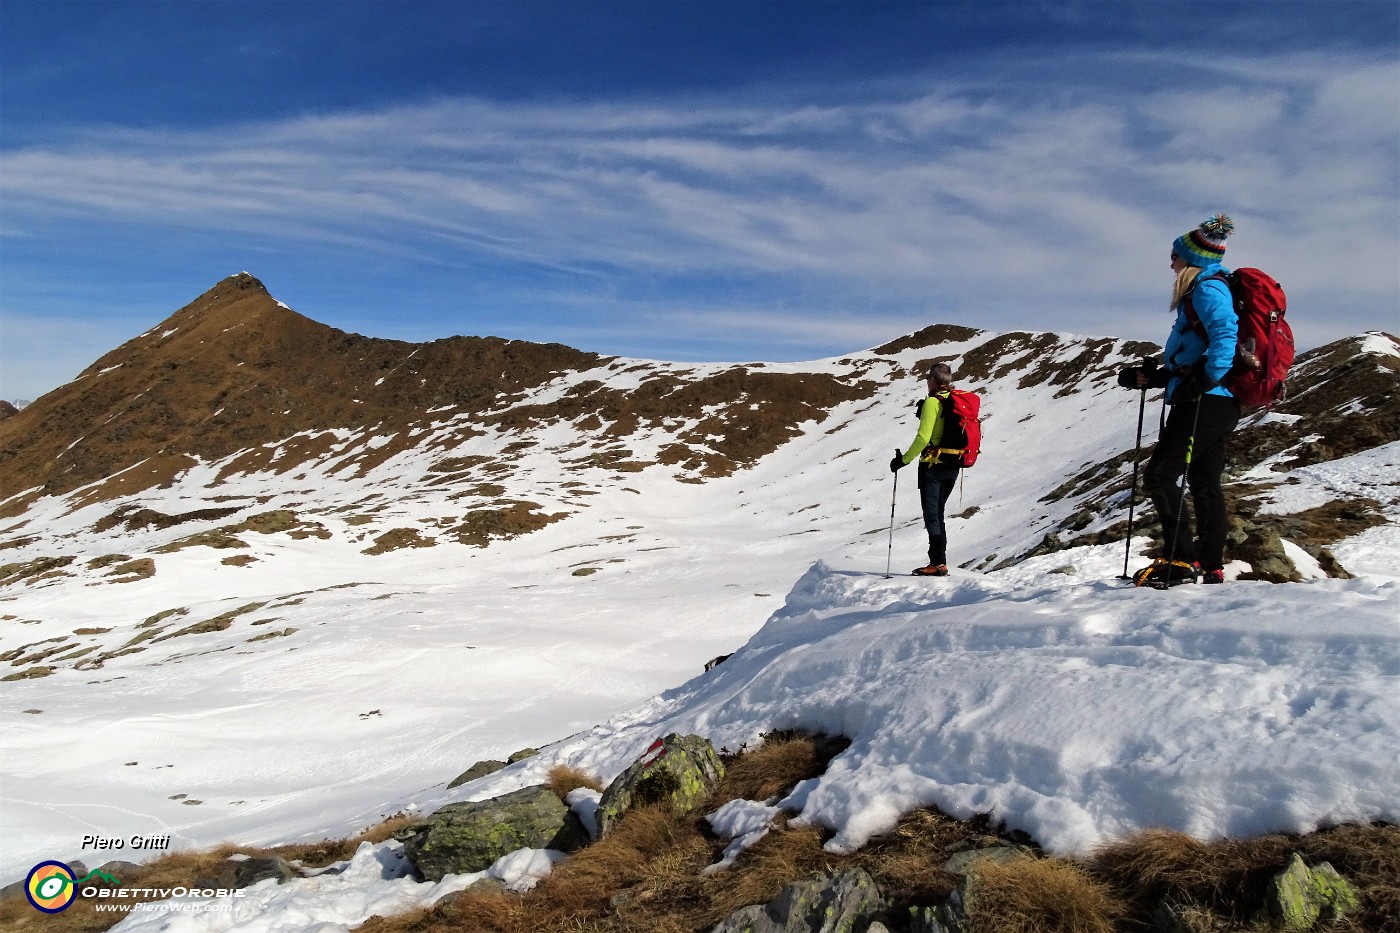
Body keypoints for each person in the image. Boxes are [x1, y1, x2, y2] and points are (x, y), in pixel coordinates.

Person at [1118, 214, 1241, 584]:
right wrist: (1154, 377)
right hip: (1218, 401)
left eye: (1175, 255)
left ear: (1192, 260)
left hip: (1207, 400)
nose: (1170, 261)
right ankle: (1209, 562)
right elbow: (1193, 353)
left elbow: (1225, 335)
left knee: (1159, 474)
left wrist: (1204, 379)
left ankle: (1181, 559)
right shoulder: (1205, 289)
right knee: (1204, 481)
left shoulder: (1207, 289)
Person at [889, 362, 963, 576]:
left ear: (933, 380)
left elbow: (923, 437)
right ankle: (940, 562)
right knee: (938, 514)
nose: (926, 381)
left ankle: (937, 564)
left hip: (932, 466)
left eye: (928, 378)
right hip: (953, 465)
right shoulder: (955, 399)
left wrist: (903, 460)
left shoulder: (932, 402)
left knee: (933, 515)